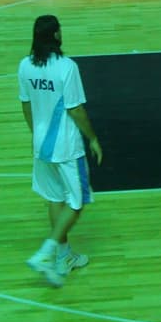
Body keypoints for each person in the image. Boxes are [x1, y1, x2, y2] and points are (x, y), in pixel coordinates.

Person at [19, 15, 103, 288]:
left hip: (41, 145)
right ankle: (46, 252)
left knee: (55, 198)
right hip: (66, 147)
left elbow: (26, 105)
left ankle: (63, 257)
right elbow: (75, 109)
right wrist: (93, 138)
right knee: (77, 202)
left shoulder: (25, 66)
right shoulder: (67, 67)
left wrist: (36, 136)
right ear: (56, 35)